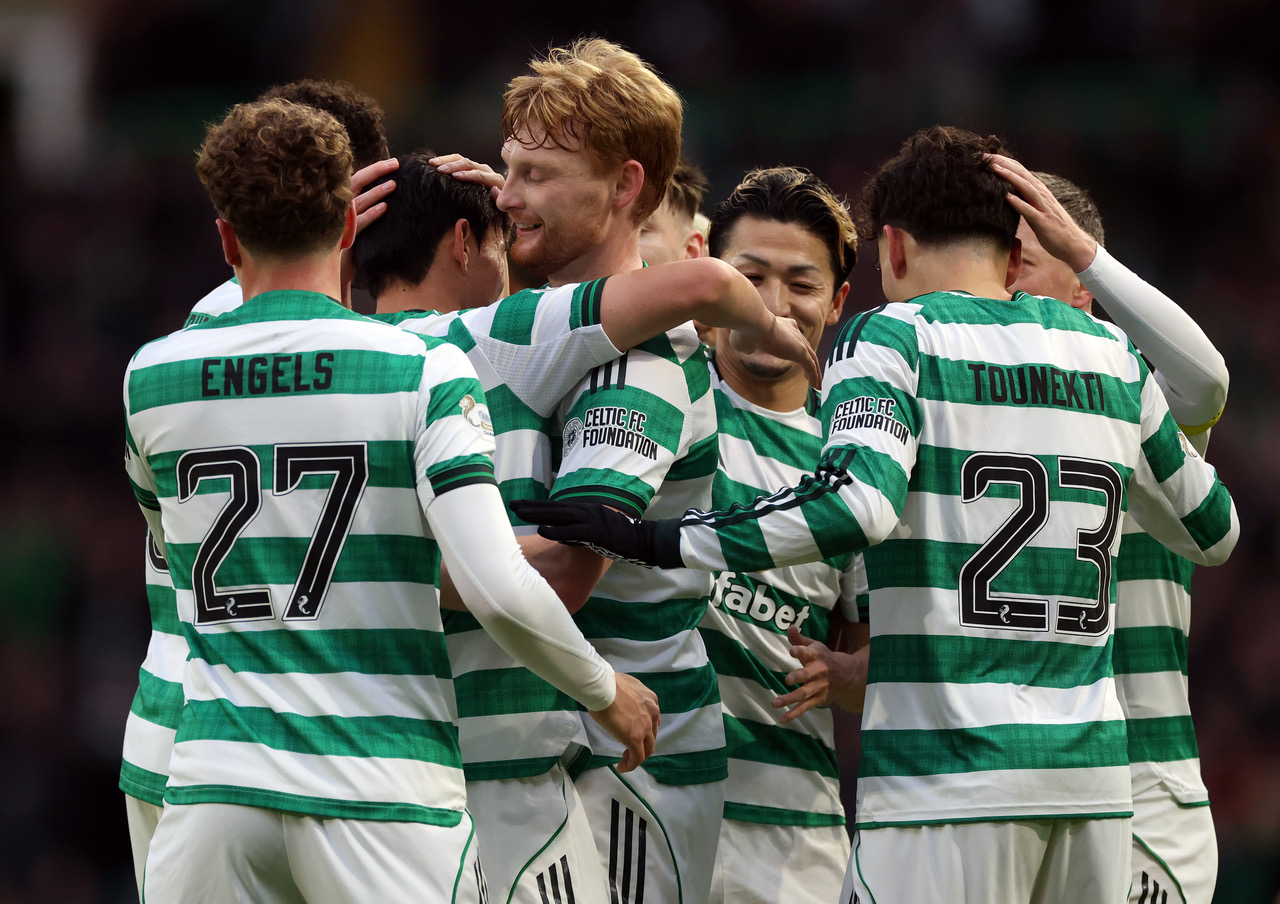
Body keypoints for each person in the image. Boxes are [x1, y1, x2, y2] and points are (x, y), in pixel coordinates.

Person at [515, 125, 1240, 904]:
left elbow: (855, 502)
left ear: (890, 250)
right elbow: (1215, 530)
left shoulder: (899, 335)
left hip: (946, 783)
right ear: (1009, 249)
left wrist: (660, 538)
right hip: (1094, 786)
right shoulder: (1113, 355)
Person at [124, 98, 660, 904]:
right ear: (348, 229)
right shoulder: (422, 367)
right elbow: (497, 583)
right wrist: (605, 690)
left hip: (212, 787)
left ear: (227, 240)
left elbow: (173, 547)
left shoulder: (151, 378)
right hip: (378, 787)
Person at [353, 150, 818, 904]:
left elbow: (564, 572)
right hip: (535, 746)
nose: (516, 213)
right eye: (506, 197)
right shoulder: (501, 334)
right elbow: (549, 574)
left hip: (556, 756)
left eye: (534, 177)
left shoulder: (337, 356)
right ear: (465, 245)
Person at [118, 77, 397, 897]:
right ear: (354, 206)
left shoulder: (180, 346)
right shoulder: (389, 355)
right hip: (312, 747)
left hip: (176, 729)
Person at [491, 37, 736, 903]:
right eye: (505, 167)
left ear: (627, 187)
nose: (505, 195)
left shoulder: (635, 371)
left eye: (536, 176)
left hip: (633, 761)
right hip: (569, 740)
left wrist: (369, 559)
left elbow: (562, 573)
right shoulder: (554, 329)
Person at [995, 153, 1228, 904]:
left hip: (1144, 787)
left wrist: (1090, 255)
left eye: (1022, 264)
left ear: (1084, 290)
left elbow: (1206, 380)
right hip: (1018, 780)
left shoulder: (1137, 406)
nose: (1001, 287)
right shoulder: (973, 420)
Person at [698, 166, 871, 904]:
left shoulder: (860, 457)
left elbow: (877, 653)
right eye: (750, 277)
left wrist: (851, 676)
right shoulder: (653, 394)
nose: (773, 306)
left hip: (790, 841)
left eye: (800, 285)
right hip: (636, 800)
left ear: (836, 303)